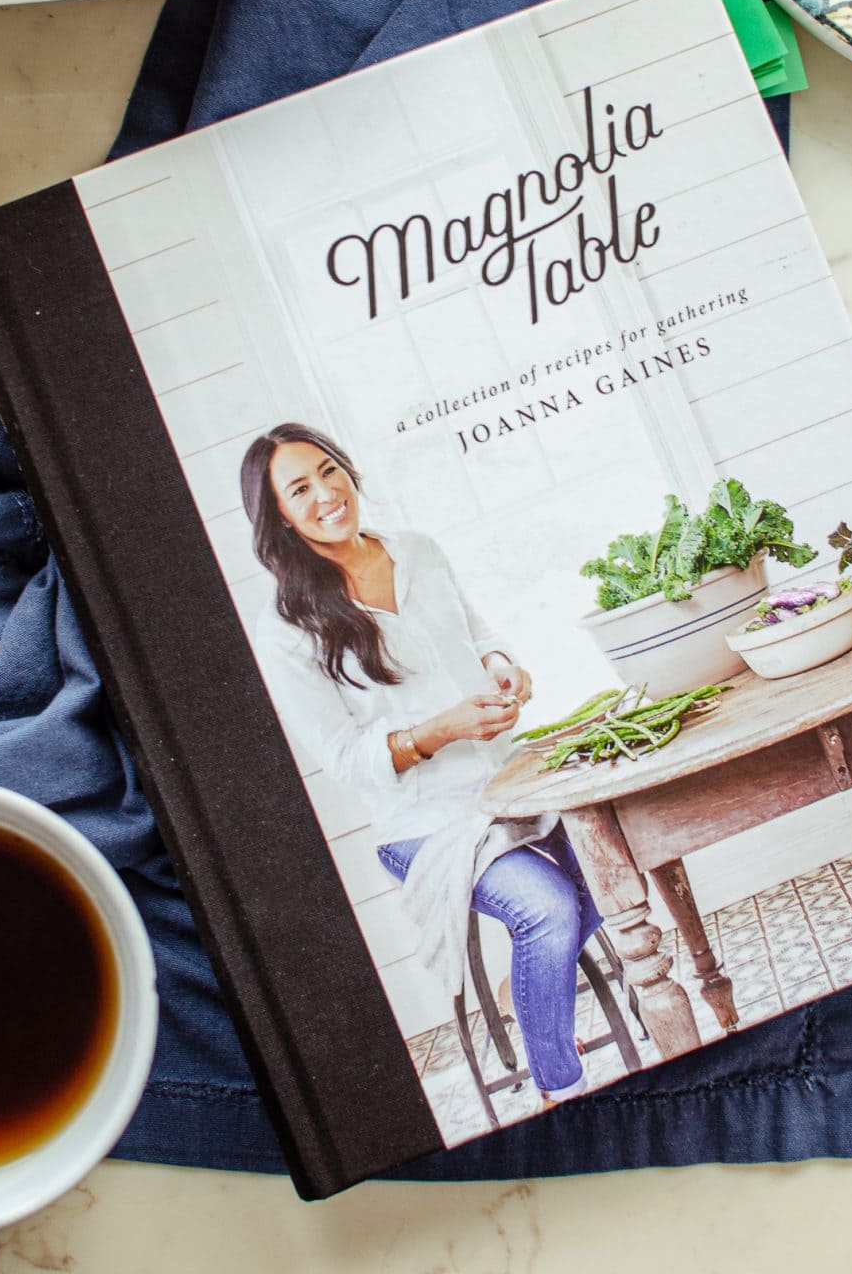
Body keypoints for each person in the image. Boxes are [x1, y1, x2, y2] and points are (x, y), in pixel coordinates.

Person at [239, 422, 605, 1108]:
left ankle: (523, 988)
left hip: (509, 779)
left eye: (328, 470)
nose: (325, 493)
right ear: (280, 518)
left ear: (348, 467)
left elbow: (480, 634)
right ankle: (565, 1087)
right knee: (549, 910)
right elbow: (347, 761)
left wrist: (503, 668)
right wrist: (440, 730)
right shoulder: (287, 627)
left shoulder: (417, 550)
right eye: (299, 488)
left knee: (616, 863)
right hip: (425, 823)